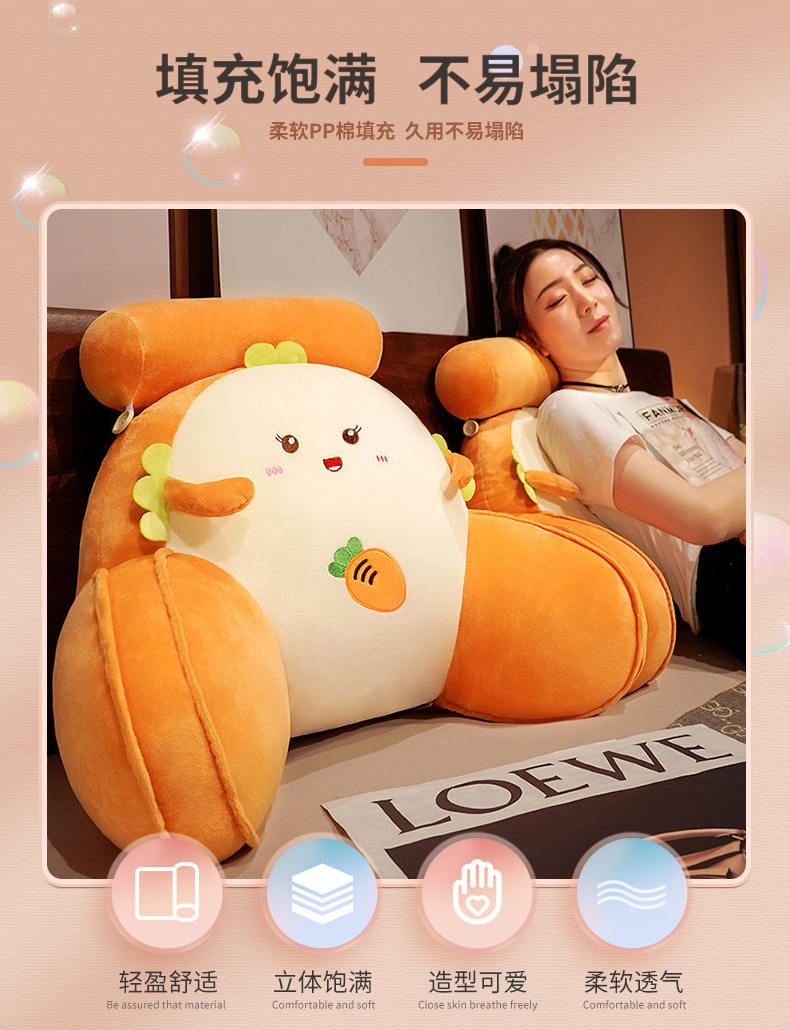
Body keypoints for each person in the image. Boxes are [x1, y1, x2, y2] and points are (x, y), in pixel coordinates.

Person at [495, 238, 746, 658]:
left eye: (589, 279)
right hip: (725, 570)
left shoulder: (667, 401)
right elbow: (705, 518)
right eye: (557, 301)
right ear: (533, 340)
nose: (586, 301)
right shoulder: (567, 409)